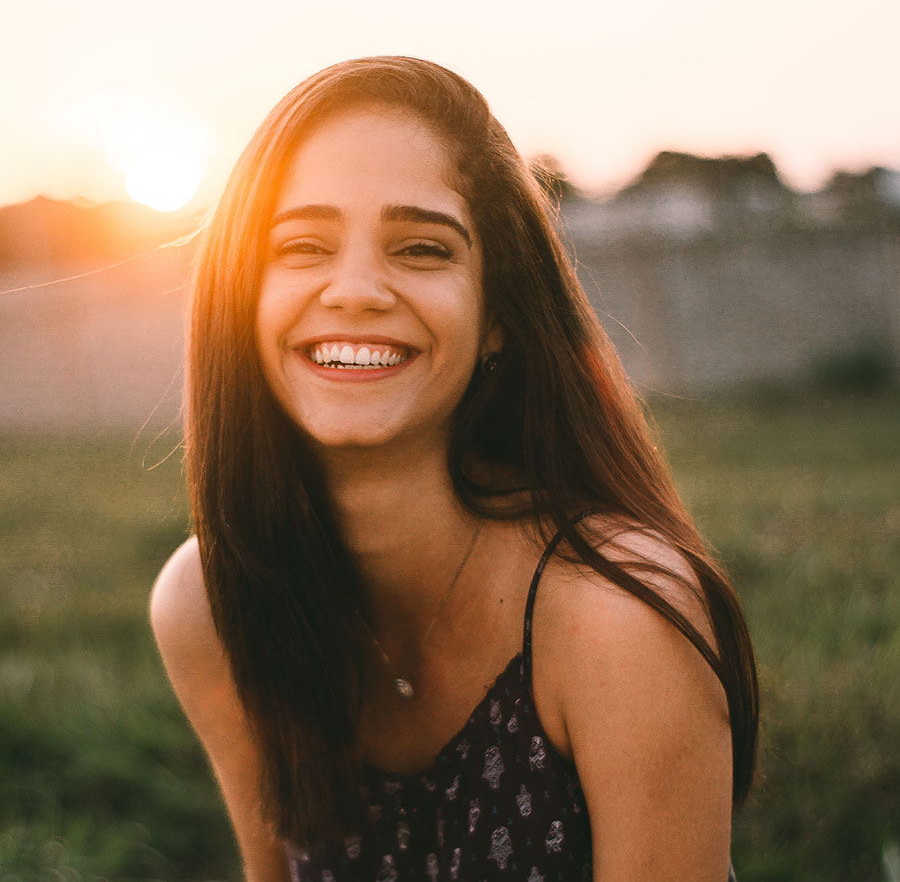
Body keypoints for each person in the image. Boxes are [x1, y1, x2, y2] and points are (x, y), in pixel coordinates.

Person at [150, 56, 758, 882]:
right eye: (302, 246)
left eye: (422, 248)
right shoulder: (211, 603)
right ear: (240, 298)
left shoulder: (618, 622)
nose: (356, 289)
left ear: (497, 316)